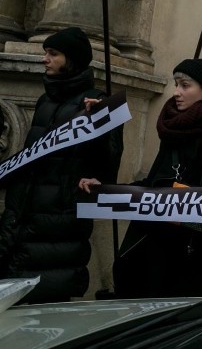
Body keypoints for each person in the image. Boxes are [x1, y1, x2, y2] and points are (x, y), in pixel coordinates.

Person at [80, 53, 202, 298]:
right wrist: (104, 188)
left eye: (185, 86)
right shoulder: (172, 127)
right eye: (176, 84)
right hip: (161, 245)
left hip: (201, 247)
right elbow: (152, 182)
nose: (176, 92)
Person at [0, 27, 123, 303]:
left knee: (45, 300)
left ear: (73, 59)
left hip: (59, 222)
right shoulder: (45, 100)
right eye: (46, 53)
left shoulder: (98, 102)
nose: (45, 59)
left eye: (53, 54)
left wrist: (101, 121)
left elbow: (108, 165)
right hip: (21, 215)